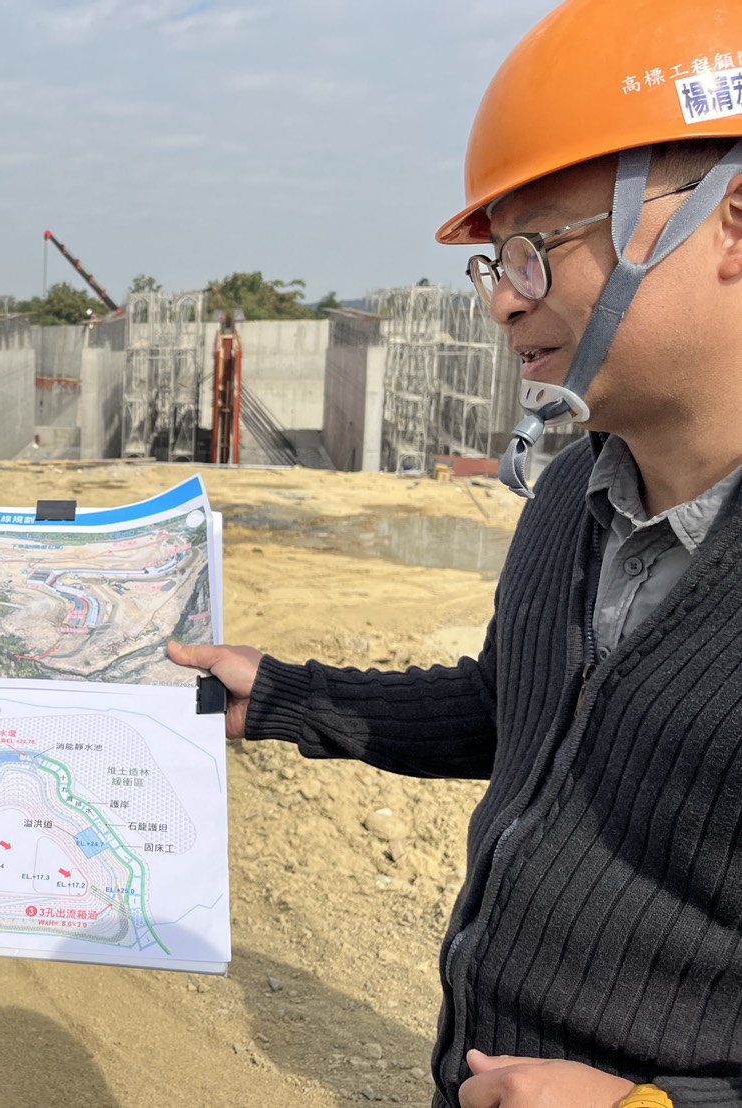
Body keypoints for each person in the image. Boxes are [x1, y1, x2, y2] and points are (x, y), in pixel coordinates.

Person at [172, 2, 742, 1106]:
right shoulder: (576, 489)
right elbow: (511, 708)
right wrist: (284, 697)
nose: (504, 303)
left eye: (538, 249)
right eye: (494, 263)